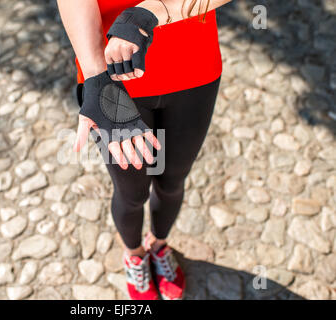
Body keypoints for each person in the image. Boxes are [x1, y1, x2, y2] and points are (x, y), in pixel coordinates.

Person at [56, 0, 232, 300]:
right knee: (130, 192)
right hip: (114, 77)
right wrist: (98, 79)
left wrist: (151, 11)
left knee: (172, 181)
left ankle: (159, 244)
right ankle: (134, 254)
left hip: (195, 68)